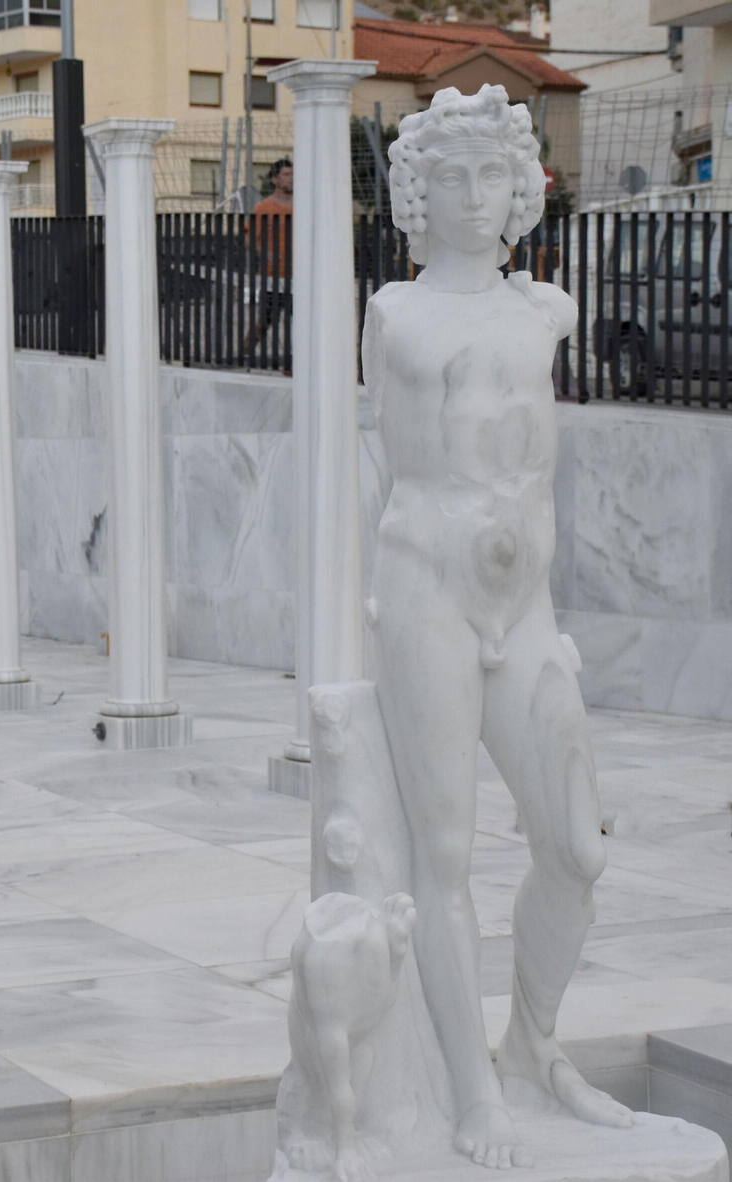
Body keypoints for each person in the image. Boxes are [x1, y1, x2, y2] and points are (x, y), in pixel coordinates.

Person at [365, 84, 631, 1169]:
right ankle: (470, 1090)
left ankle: (532, 1046)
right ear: (416, 193)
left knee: (572, 846)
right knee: (442, 856)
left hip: (527, 606)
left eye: (490, 174)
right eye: (448, 177)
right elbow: (388, 478)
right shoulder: (398, 314)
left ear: (519, 186)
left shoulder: (547, 310)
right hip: (429, 587)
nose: (472, 197)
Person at [247, 158, 293, 371]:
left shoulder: (303, 205)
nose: (291, 179)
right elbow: (250, 240)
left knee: (298, 322)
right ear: (274, 179)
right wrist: (267, 254)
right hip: (274, 276)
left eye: (293, 174)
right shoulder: (263, 207)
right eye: (286, 175)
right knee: (266, 321)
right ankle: (246, 351)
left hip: (299, 276)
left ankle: (291, 366)